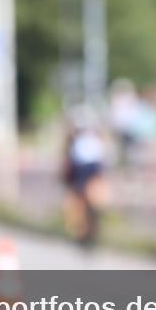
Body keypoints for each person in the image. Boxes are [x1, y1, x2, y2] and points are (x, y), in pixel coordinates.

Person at [61, 105, 107, 247]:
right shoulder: (74, 141)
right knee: (79, 203)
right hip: (81, 168)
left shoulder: (92, 139)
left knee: (92, 202)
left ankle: (91, 231)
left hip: (91, 168)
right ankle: (81, 232)